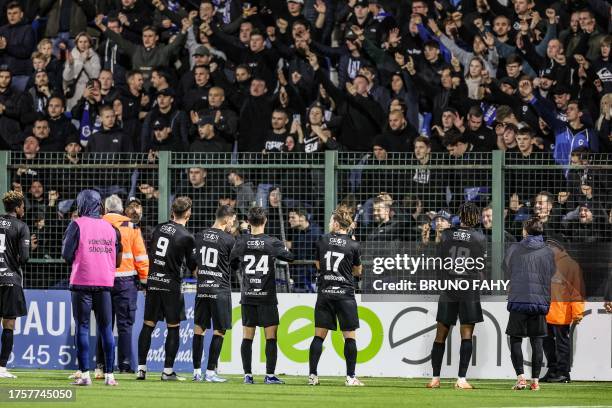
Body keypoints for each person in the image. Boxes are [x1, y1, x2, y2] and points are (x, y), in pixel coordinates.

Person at [61, 189, 122, 386]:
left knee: (83, 327)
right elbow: (117, 258)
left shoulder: (76, 224)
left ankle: (85, 375)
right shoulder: (110, 228)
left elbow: (66, 253)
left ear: (81, 204)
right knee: (106, 328)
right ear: (99, 205)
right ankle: (110, 376)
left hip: (82, 281)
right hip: (105, 282)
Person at [230, 206, 294, 384]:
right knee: (271, 337)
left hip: (248, 295)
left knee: (247, 337)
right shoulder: (272, 242)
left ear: (248, 222)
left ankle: (248, 376)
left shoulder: (242, 241)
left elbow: (232, 263)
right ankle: (269, 375)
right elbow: (290, 257)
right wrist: (281, 249)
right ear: (265, 221)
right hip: (267, 297)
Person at [427, 202, 487, 390]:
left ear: (460, 216)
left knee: (440, 335)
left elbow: (438, 261)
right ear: (476, 218)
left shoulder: (446, 234)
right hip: (468, 288)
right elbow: (480, 266)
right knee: (466, 335)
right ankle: (461, 379)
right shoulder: (479, 237)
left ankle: (435, 379)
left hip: (448, 288)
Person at [136, 196, 196, 381]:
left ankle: (141, 369)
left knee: (148, 325)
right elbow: (193, 266)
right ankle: (167, 371)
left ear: (172, 211)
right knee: (173, 328)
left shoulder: (159, 228)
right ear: (188, 213)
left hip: (153, 281)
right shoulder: (186, 236)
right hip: (171, 284)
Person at [308, 205, 364, 387]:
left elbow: (318, 265)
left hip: (325, 293)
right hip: (345, 295)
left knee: (318, 337)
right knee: (349, 337)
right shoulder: (353, 244)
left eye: (332, 220)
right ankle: (350, 377)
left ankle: (313, 376)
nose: (330, 223)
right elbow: (358, 271)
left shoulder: (322, 240)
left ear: (337, 223)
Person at [94, 195, 148, 374]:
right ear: (121, 209)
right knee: (125, 325)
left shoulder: (97, 224)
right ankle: (124, 365)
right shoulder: (131, 226)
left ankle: (101, 365)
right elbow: (140, 257)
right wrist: (145, 280)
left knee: (104, 324)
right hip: (126, 282)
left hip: (102, 280)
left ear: (106, 209)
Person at [503, 217, 556, 391]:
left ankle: (521, 379)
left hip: (518, 299)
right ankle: (535, 381)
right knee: (537, 342)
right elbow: (552, 272)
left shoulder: (515, 248)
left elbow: (506, 268)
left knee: (515, 339)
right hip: (539, 301)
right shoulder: (548, 251)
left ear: (525, 231)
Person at [191, 205, 236, 383]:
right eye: (232, 221)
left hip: (202, 288)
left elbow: (193, 263)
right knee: (220, 330)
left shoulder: (199, 236)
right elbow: (235, 264)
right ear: (226, 219)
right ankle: (210, 372)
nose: (232, 225)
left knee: (199, 328)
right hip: (220, 289)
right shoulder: (229, 239)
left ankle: (195, 372)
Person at [540, 238, 585, 384]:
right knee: (547, 343)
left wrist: (578, 312)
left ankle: (563, 372)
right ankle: (553, 370)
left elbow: (577, 291)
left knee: (561, 344)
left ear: (556, 248)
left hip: (561, 311)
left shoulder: (570, 265)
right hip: (546, 310)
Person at [0, 191, 30, 379]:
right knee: (9, 324)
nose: (23, 209)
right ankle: (1, 367)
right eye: (23, 206)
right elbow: (24, 258)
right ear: (18, 207)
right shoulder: (21, 226)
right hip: (10, 279)